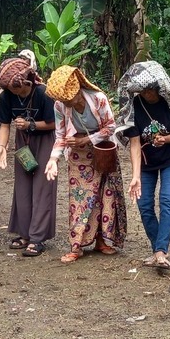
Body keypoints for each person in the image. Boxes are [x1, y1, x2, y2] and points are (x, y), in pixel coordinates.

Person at [44, 65, 127, 263]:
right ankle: (77, 245)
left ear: (78, 91)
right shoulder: (60, 106)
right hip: (77, 156)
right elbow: (60, 135)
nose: (66, 104)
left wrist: (86, 140)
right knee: (80, 199)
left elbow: (111, 127)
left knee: (104, 195)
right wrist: (53, 159)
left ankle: (102, 240)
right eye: (63, 101)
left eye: (69, 99)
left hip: (102, 151)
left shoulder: (98, 98)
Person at [118, 61, 170, 270]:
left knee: (167, 199)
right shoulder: (133, 107)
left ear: (159, 87)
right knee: (144, 205)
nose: (147, 94)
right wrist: (135, 175)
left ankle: (161, 251)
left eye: (150, 89)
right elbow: (134, 143)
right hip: (147, 160)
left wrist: (166, 139)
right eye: (143, 90)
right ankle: (157, 249)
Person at [0, 55, 57, 257]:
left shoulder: (44, 93)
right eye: (11, 89)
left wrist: (31, 125)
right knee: (22, 186)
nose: (15, 92)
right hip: (23, 143)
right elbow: (5, 124)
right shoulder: (6, 96)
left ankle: (37, 238)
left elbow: (55, 123)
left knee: (42, 187)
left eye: (18, 88)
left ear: (28, 80)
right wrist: (2, 146)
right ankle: (24, 234)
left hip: (45, 140)